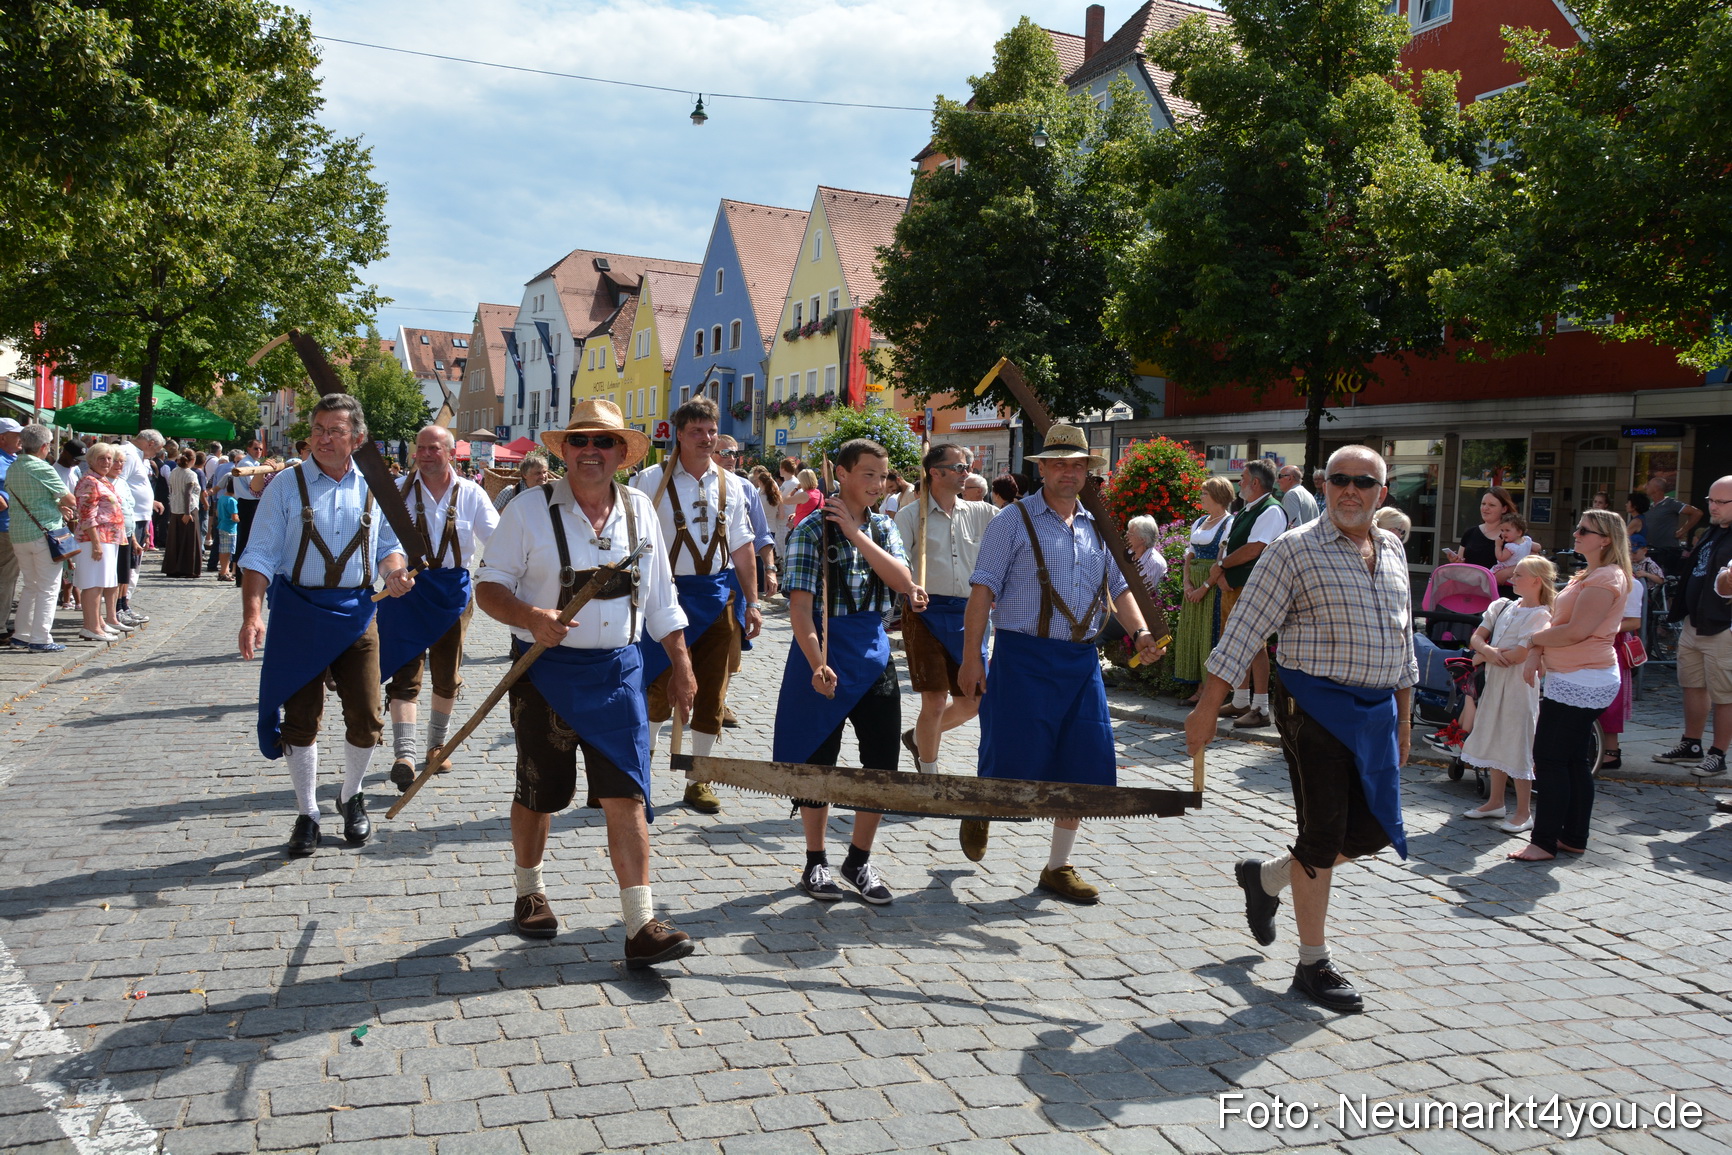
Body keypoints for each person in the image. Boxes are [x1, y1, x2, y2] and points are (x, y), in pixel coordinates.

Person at [1188, 447, 1416, 1012]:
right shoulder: (1295, 549)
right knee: (1322, 834)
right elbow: (1243, 629)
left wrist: (1407, 719)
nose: (1350, 490)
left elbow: (1403, 640)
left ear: (1381, 494)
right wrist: (1207, 707)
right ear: (1324, 485)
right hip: (1311, 706)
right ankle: (1313, 962)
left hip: (1377, 711)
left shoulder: (1391, 550)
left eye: (1364, 482)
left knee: (1373, 832)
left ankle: (1264, 880)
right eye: (1339, 480)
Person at [476, 399, 700, 965]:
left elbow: (662, 599)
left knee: (627, 796)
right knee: (539, 792)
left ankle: (640, 924)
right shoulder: (526, 510)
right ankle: (530, 892)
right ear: (565, 450)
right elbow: (489, 587)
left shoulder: (640, 511)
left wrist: (681, 664)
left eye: (603, 443)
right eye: (580, 441)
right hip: (543, 675)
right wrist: (531, 617)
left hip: (620, 674)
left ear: (622, 454)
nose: (591, 452)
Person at [958, 424, 1166, 902]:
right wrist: (973, 659)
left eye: (1077, 465)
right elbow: (982, 590)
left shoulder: (1098, 526)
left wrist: (1140, 633)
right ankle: (982, 803)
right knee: (1010, 756)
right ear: (1043, 469)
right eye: (1059, 464)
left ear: (1087, 473)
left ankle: (1057, 867)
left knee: (1084, 761)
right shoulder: (1011, 521)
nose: (1069, 473)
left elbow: (1120, 589)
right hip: (1022, 657)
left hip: (1079, 662)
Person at [239, 393, 415, 857]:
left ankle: (350, 794)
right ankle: (307, 813)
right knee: (299, 721)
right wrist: (253, 614)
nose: (323, 438)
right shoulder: (285, 485)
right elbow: (258, 554)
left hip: (358, 613)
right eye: (318, 429)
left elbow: (389, 546)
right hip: (298, 614)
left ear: (357, 439)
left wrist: (394, 572)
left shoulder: (376, 487)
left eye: (335, 431)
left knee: (368, 717)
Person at [777, 439, 923, 904]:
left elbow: (903, 582)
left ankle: (858, 859)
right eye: (868, 475)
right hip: (822, 651)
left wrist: (858, 536)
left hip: (874, 655)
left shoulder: (883, 527)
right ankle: (815, 861)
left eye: (883, 476)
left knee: (881, 764)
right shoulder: (809, 532)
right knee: (819, 761)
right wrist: (817, 662)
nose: (878, 485)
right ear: (840, 474)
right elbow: (800, 610)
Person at [631, 396, 762, 814]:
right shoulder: (649, 482)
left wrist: (754, 602)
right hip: (663, 598)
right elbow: (631, 547)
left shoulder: (733, 485)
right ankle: (639, 778)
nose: (706, 439)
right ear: (679, 435)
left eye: (711, 431)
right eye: (696, 432)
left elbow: (743, 547)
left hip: (719, 599)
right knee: (654, 687)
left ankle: (700, 778)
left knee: (712, 694)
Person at [379, 425, 500, 789]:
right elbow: (382, 544)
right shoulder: (397, 494)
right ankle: (405, 753)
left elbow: (497, 541)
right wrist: (392, 572)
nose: (426, 454)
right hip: (406, 592)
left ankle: (436, 747)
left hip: (452, 595)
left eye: (434, 448)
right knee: (405, 673)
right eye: (421, 448)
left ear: (451, 453)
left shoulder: (472, 494)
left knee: (447, 675)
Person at [1510, 508, 1631, 860]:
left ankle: (1544, 841)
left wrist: (1532, 643)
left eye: (1585, 530)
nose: (1576, 533)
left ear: (1605, 539)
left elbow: (1578, 631)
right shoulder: (1592, 574)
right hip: (1576, 676)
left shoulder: (1606, 578)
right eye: (1578, 527)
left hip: (1584, 677)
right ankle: (1572, 837)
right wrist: (1537, 649)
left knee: (1549, 759)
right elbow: (1563, 624)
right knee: (1573, 760)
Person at [894, 441, 995, 774]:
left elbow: (1017, 529)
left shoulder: (981, 512)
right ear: (935, 473)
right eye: (959, 467)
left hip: (970, 614)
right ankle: (929, 772)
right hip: (925, 613)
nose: (967, 473)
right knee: (935, 701)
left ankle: (918, 738)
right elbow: (896, 561)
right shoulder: (910, 515)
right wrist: (909, 585)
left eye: (968, 467)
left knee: (971, 704)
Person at [1459, 555, 1556, 832]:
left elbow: (1519, 655)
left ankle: (1524, 812)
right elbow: (1477, 636)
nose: (1513, 578)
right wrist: (1487, 651)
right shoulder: (1502, 606)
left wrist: (1483, 656)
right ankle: (1495, 801)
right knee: (1495, 735)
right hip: (1496, 682)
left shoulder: (1541, 614)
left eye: (1520, 575)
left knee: (1517, 740)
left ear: (1536, 580)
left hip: (1519, 687)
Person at [1655, 476, 1732, 775]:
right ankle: (1692, 743)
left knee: (1725, 695)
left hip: (1722, 626)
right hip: (1694, 622)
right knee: (1692, 685)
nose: (1713, 507)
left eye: (1720, 502)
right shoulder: (1714, 531)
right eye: (1710, 500)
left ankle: (1718, 753)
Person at [1211, 459, 1286, 728]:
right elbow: (1227, 544)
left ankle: (1262, 708)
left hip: (1254, 586)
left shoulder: (1271, 510)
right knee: (1236, 643)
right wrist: (1220, 572)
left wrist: (1220, 566)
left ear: (1255, 482)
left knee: (1255, 645)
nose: (1239, 482)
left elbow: (1255, 548)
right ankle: (1241, 700)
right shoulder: (1248, 509)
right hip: (1236, 586)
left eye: (1242, 477)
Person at [7, 425, 80, 652]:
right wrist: (60, 505)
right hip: (44, 534)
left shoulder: (14, 466)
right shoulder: (42, 468)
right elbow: (70, 499)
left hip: (19, 533)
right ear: (44, 446)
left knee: (30, 585)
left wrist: (55, 505)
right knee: (48, 587)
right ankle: (40, 638)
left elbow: (33, 498)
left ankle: (22, 634)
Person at [1174, 476, 1234, 704]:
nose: (1201, 497)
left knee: (1210, 634)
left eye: (1204, 493)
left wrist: (1205, 587)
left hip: (1213, 585)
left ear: (1217, 497)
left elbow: (1222, 559)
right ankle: (1198, 686)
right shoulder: (1199, 522)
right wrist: (1187, 583)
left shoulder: (1229, 523)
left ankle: (1208, 691)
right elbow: (1189, 554)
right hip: (1195, 583)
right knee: (1194, 633)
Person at [71, 443, 131, 641]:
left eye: (109, 459)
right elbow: (87, 515)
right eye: (102, 458)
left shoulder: (102, 481)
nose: (107, 462)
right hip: (95, 539)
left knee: (101, 582)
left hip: (108, 539)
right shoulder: (89, 481)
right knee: (93, 584)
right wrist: (96, 544)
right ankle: (91, 627)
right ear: (91, 461)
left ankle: (98, 623)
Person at [1594, 563, 1646, 773]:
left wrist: (1603, 628)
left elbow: (1634, 622)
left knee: (1612, 700)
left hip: (1614, 644)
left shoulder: (1630, 583)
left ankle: (1611, 751)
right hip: (1598, 642)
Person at [1639, 475, 1701, 575]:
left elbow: (1697, 513)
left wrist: (1682, 530)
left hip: (1667, 552)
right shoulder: (1649, 507)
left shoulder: (1671, 503)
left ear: (1656, 488)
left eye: (1649, 484)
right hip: (1651, 551)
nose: (1646, 486)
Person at [1444, 487, 1516, 569]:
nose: (1485, 508)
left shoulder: (1514, 534)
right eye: (1483, 504)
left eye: (1491, 505)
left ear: (1504, 509)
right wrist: (1456, 561)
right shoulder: (1470, 533)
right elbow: (1460, 565)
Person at [162, 450, 203, 577]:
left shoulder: (174, 472)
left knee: (175, 540)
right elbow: (188, 493)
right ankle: (188, 569)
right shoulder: (190, 474)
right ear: (192, 460)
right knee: (190, 540)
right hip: (188, 510)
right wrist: (187, 512)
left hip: (175, 509)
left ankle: (173, 568)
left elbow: (172, 490)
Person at [0, 419, 21, 641]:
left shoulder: (11, 458)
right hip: (4, 527)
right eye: (15, 434)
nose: (20, 439)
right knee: (6, 578)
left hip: (10, 526)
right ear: (2, 437)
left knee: (8, 577)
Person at [1489, 511, 1534, 596]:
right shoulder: (1527, 540)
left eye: (1507, 530)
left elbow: (1501, 557)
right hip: (1517, 575)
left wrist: (1498, 546)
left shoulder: (1510, 547)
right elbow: (1537, 547)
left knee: (1488, 577)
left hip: (1505, 573)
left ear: (1519, 532)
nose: (1503, 533)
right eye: (1502, 530)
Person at [1276, 463, 1318, 528]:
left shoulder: (1291, 495)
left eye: (1280, 476)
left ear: (1290, 478)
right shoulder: (1308, 494)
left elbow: (1292, 528)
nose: (1277, 481)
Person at [215, 482, 239, 582]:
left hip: (222, 525)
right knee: (228, 551)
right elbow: (234, 517)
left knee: (223, 550)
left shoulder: (222, 498)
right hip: (230, 528)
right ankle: (224, 572)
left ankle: (224, 571)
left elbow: (216, 513)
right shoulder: (232, 501)